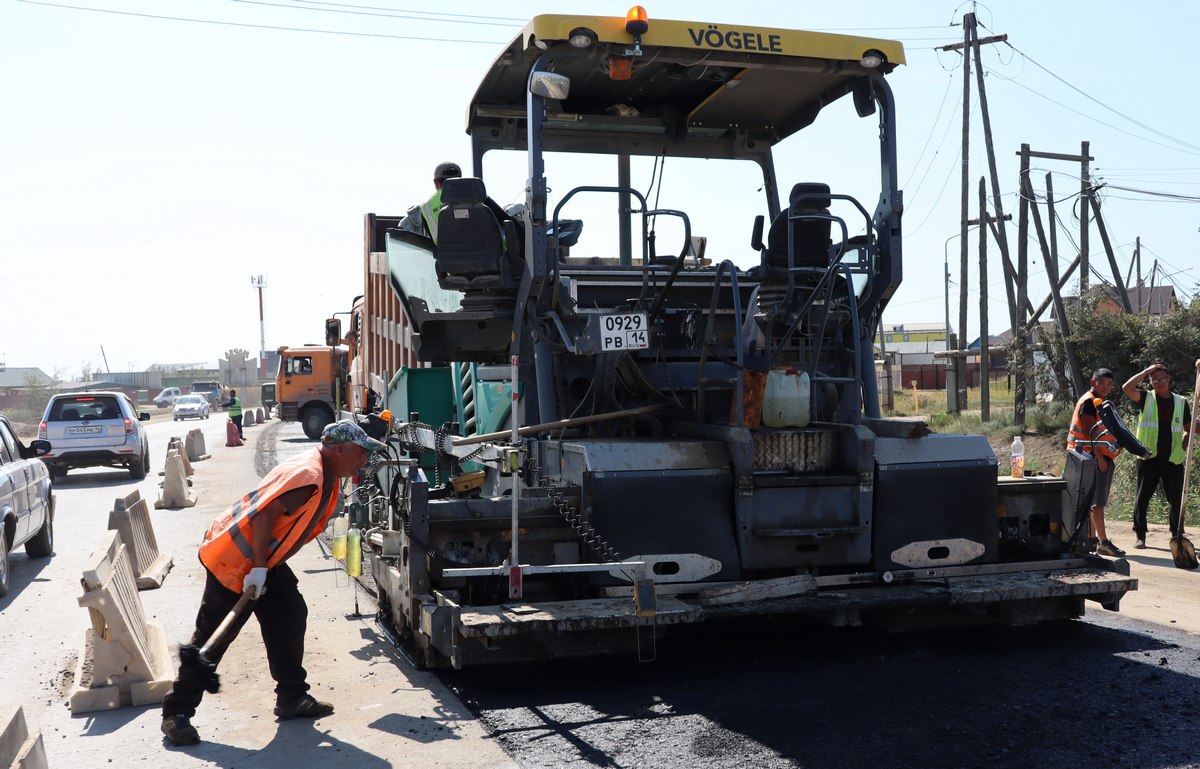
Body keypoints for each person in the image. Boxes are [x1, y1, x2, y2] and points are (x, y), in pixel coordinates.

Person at [160, 420, 386, 746]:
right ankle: (176, 713)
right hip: (237, 559)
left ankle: (292, 697)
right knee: (213, 636)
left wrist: (267, 567)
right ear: (339, 449)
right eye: (360, 452)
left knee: (289, 614)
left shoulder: (325, 472)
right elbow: (266, 514)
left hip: (263, 561)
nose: (364, 459)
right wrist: (258, 569)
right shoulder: (310, 475)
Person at [1122, 362, 1195, 549]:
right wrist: (1147, 370)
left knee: (1177, 499)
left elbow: (1188, 429)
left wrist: (1184, 443)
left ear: (1169, 379)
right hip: (1149, 457)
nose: (1160, 382)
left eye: (1163, 379)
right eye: (1155, 379)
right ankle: (1140, 535)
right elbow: (1126, 387)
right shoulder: (1146, 398)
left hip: (1173, 458)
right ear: (1150, 381)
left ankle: (1177, 534)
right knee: (1142, 498)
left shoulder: (1180, 402)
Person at [1066, 368, 1125, 557]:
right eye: (1102, 384)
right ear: (1093, 383)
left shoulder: (1099, 403)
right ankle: (1103, 542)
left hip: (1087, 456)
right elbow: (1092, 433)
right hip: (1090, 457)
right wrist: (1100, 458)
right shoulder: (1090, 403)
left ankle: (1091, 540)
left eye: (1109, 385)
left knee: (1090, 502)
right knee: (1096, 503)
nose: (1106, 387)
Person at [398, 161, 462, 243]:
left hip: (443, 254)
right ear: (461, 180)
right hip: (477, 252)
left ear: (436, 183)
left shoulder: (426, 207)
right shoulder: (478, 198)